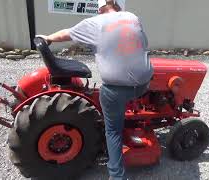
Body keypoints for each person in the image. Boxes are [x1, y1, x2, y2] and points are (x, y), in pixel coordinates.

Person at [36, 0, 153, 179]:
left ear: (99, 9)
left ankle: (117, 176)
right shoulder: (132, 17)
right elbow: (142, 44)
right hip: (144, 83)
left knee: (113, 130)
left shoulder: (94, 23)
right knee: (124, 101)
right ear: (117, 5)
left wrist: (48, 38)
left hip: (116, 89)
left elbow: (66, 34)